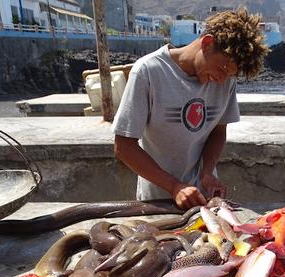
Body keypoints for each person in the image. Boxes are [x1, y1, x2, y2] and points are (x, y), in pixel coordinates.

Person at [111, 7, 268, 209]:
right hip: (156, 201)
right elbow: (124, 146)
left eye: (230, 75)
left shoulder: (226, 82)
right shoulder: (148, 72)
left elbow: (218, 131)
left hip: (203, 201)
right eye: (221, 68)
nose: (221, 80)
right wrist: (174, 186)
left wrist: (208, 172)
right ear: (207, 43)